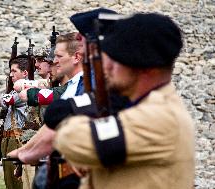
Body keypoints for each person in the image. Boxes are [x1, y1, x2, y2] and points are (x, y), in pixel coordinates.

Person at [50, 13, 195, 189]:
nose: (107, 66)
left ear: (146, 68)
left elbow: (71, 139)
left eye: (117, 59)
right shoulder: (144, 106)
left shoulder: (159, 116)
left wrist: (88, 111)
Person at [8, 32, 84, 188]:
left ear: (76, 57)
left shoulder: (82, 84)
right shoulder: (74, 85)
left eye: (58, 56)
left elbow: (49, 98)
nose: (54, 62)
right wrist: (28, 150)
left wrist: (29, 151)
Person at [0, 55, 36, 189]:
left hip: (18, 141)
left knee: (19, 183)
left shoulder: (24, 92)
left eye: (14, 71)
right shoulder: (15, 92)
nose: (10, 74)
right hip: (8, 141)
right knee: (10, 183)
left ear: (25, 73)